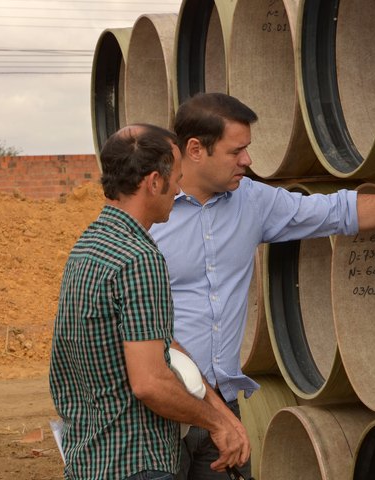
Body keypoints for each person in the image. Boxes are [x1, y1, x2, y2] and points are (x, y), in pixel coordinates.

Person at [149, 93, 375, 480]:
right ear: (195, 149)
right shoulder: (149, 210)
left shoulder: (252, 201)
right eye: (237, 151)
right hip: (160, 412)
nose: (248, 161)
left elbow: (338, 212)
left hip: (222, 407)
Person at [49, 123, 249, 480]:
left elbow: (154, 340)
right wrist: (217, 425)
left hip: (89, 463)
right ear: (154, 182)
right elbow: (150, 382)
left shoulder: (88, 246)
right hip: (137, 463)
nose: (179, 189)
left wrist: (217, 406)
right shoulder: (139, 258)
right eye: (176, 179)